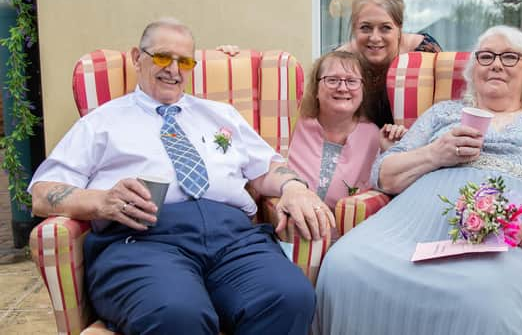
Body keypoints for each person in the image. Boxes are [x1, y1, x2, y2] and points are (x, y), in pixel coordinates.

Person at [28, 18, 335, 335]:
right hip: (143, 242)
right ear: (137, 57)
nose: (174, 70)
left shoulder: (220, 114)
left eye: (184, 61)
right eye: (162, 57)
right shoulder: (101, 123)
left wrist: (294, 187)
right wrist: (101, 201)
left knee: (291, 297)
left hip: (234, 240)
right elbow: (42, 191)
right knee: (176, 314)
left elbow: (266, 167)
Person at [312, 25, 522, 335]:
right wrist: (435, 154)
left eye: (510, 57)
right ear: (473, 71)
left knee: (486, 301)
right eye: (485, 57)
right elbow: (383, 172)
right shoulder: (444, 112)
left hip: (508, 236)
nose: (496, 64)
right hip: (413, 223)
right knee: (344, 266)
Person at [287, 51, 406, 215]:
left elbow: (387, 189)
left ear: (363, 91)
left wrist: (390, 152)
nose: (342, 88)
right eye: (332, 80)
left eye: (352, 81)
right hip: (293, 228)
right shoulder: (292, 126)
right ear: (315, 89)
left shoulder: (375, 136)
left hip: (351, 233)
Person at [330, 0, 442, 128]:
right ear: (354, 29)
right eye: (366, 28)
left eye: (385, 28)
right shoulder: (340, 61)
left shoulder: (425, 53)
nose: (375, 38)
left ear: (399, 29)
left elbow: (444, 108)